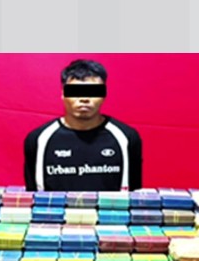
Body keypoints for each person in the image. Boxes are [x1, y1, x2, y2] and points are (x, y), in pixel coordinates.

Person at [24, 59, 143, 192]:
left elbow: (135, 195)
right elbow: (32, 194)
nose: (84, 98)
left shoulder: (126, 138)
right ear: (63, 94)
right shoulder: (39, 140)